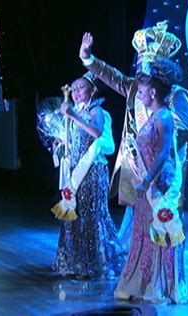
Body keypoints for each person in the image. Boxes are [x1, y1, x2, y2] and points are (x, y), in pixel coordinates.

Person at [79, 22, 188, 250]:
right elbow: (112, 77)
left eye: (146, 65)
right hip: (136, 162)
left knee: (163, 215)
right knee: (136, 210)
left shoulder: (178, 95)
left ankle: (162, 265)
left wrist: (152, 150)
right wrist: (88, 58)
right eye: (140, 63)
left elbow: (183, 129)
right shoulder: (134, 88)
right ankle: (128, 256)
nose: (140, 68)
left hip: (164, 164)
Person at [113, 58, 188, 304]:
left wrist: (146, 180)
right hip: (145, 188)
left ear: (153, 92)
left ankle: (159, 284)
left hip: (157, 187)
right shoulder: (154, 115)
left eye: (143, 91)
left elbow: (165, 153)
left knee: (158, 232)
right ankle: (141, 280)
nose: (140, 95)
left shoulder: (164, 117)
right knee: (143, 234)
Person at [52, 72, 125, 279]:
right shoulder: (74, 113)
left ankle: (97, 263)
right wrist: (59, 143)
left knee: (92, 216)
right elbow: (73, 142)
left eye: (80, 88)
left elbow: (97, 133)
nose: (75, 93)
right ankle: (77, 263)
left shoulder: (96, 111)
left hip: (93, 172)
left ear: (92, 90)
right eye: (73, 89)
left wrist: (73, 116)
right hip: (77, 172)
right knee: (76, 216)